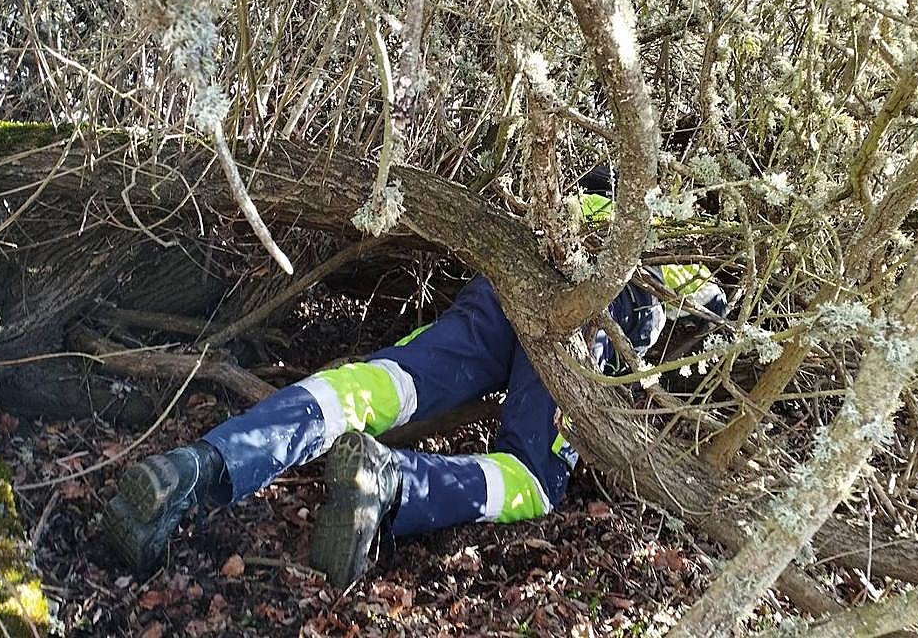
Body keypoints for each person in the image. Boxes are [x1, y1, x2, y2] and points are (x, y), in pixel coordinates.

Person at [104, 183, 727, 586]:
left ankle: (198, 467)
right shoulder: (690, 243)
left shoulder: (592, 191)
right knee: (534, 478)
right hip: (589, 314)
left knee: (382, 383)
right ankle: (392, 484)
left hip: (510, 278)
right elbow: (714, 328)